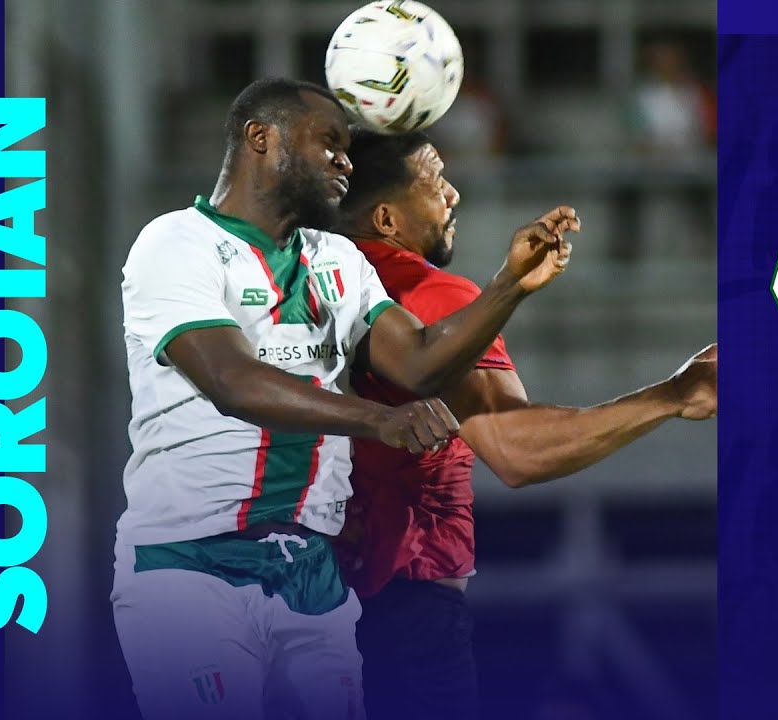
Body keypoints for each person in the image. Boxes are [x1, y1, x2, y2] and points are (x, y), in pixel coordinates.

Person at [111, 77, 579, 720]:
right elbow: (230, 380)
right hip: (191, 564)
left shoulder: (338, 259)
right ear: (260, 138)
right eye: (328, 144)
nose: (346, 162)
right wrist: (376, 419)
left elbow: (418, 361)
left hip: (311, 572)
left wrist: (508, 286)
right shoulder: (175, 243)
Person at [328, 129, 717, 720]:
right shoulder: (425, 292)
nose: (453, 194)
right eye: (435, 182)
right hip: (400, 609)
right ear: (385, 218)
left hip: (300, 604)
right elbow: (515, 450)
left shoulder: (298, 284)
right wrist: (672, 395)